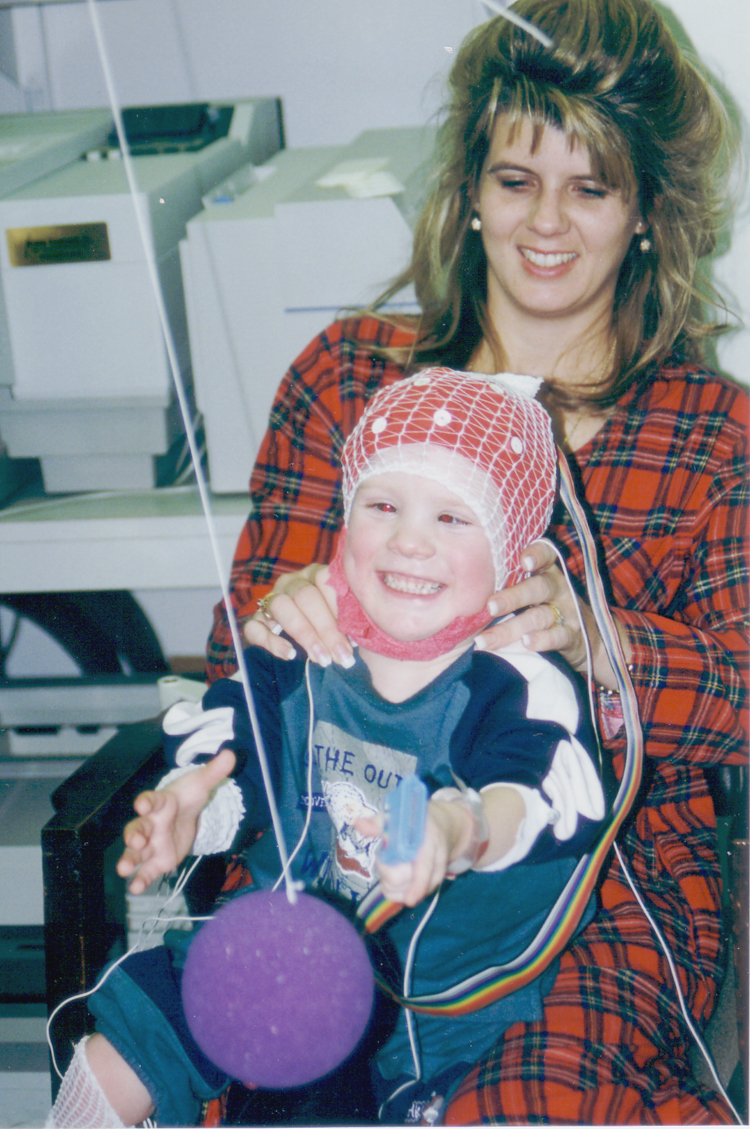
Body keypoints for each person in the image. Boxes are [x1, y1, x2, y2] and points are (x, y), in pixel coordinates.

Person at [205, 0, 749, 1123]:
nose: (546, 221)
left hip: (605, 885)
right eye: (515, 180)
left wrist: (605, 645)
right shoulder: (349, 379)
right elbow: (233, 665)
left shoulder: (713, 436)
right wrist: (286, 615)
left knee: (520, 1105)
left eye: (591, 188)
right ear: (468, 196)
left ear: (648, 213)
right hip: (338, 849)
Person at [46, 370, 607, 1127]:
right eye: (382, 507)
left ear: (515, 553)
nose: (409, 540)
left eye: (452, 517)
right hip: (278, 959)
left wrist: (456, 827)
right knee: (120, 1051)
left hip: (443, 1009)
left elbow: (536, 793)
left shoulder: (518, 680)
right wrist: (194, 809)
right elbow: (235, 749)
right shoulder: (302, 645)